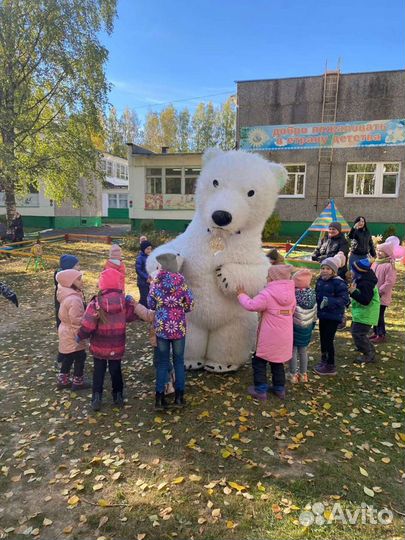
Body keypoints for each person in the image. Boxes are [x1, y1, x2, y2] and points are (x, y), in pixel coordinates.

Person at [77, 268, 154, 411]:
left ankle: (96, 397)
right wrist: (134, 305)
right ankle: (118, 395)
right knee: (115, 370)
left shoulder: (96, 303)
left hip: (99, 346)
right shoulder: (123, 303)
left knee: (98, 371)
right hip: (117, 345)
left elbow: (88, 325)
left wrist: (80, 335)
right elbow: (132, 316)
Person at [237, 264, 296, 401]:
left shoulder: (267, 294)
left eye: (268, 276)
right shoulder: (291, 293)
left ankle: (260, 390)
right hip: (285, 336)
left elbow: (251, 305)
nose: (266, 278)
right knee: (278, 362)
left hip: (268, 337)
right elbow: (292, 310)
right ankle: (280, 389)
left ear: (273, 278)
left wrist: (241, 294)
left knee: (259, 361)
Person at [148, 252, 194, 410]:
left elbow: (151, 304)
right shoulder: (182, 283)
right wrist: (180, 308)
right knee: (179, 362)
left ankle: (159, 399)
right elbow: (190, 304)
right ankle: (179, 398)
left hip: (162, 328)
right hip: (178, 329)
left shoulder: (157, 283)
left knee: (162, 363)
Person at [313, 253, 349, 376]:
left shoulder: (338, 283)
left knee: (328, 339)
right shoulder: (320, 280)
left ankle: (330, 365)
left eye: (328, 269)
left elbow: (345, 300)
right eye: (323, 268)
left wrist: (329, 302)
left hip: (333, 316)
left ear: (333, 271)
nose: (324, 271)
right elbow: (317, 294)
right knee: (323, 338)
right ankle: (324, 360)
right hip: (322, 315)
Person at [56, 269, 90, 390]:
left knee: (68, 356)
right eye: (79, 279)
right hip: (73, 332)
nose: (82, 282)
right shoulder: (74, 299)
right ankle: (78, 381)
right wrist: (82, 335)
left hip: (66, 330)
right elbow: (76, 320)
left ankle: (63, 380)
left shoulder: (67, 294)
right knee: (80, 357)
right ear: (71, 282)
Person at [349, 258, 380, 364]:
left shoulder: (366, 283)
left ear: (358, 272)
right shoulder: (362, 278)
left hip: (366, 314)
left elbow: (365, 300)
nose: (351, 272)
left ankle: (368, 353)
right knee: (356, 331)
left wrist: (353, 293)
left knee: (358, 334)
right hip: (361, 313)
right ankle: (363, 347)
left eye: (353, 270)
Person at [289, 269, 317, 383]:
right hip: (307, 328)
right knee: (304, 351)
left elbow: (289, 313)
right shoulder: (313, 295)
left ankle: (293, 375)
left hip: (294, 328)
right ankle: (303, 374)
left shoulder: (293, 296)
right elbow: (315, 314)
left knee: (293, 351)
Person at [371, 241, 397, 343]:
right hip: (373, 294)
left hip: (381, 296)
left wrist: (380, 291)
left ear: (387, 253)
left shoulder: (389, 265)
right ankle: (375, 332)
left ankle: (381, 334)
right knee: (374, 314)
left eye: (382, 251)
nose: (379, 252)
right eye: (378, 250)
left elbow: (390, 282)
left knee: (379, 315)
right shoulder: (375, 262)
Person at [54, 255, 81, 329]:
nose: (79, 268)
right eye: (77, 265)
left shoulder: (71, 283)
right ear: (69, 269)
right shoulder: (65, 287)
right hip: (70, 327)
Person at [136, 240, 153, 307]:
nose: (149, 250)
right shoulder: (139, 258)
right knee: (144, 298)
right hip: (142, 282)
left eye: (150, 249)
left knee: (149, 297)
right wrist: (146, 277)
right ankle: (140, 312)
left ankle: (145, 313)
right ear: (143, 249)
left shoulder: (149, 257)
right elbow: (138, 270)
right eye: (147, 249)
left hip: (149, 281)